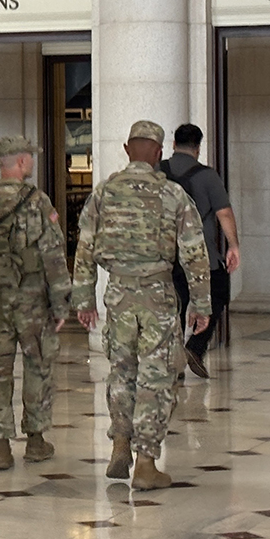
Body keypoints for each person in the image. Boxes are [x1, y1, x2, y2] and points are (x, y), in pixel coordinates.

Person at [72, 119, 212, 491]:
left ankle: (121, 442)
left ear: (126, 149)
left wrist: (84, 298)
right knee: (156, 377)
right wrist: (200, 304)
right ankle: (147, 463)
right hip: (157, 297)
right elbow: (195, 254)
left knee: (121, 372)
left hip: (118, 296)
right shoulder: (173, 196)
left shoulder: (103, 193)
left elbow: (84, 248)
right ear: (158, 153)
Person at [0, 135, 72, 471]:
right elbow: (53, 256)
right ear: (20, 162)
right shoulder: (37, 202)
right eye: (30, 158)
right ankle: (35, 441)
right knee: (38, 368)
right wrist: (61, 303)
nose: (32, 162)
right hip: (31, 302)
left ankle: (1, 448)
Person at [159, 123, 240, 379]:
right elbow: (223, 212)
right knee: (217, 294)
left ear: (173, 145)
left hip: (163, 253)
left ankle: (172, 365)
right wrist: (233, 245)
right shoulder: (207, 176)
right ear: (198, 147)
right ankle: (195, 346)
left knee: (174, 305)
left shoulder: (157, 170)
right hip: (200, 253)